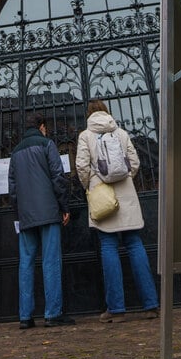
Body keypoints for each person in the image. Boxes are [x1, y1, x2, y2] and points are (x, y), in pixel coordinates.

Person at [75, 100, 160, 323]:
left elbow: (82, 167)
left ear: (89, 114)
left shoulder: (86, 135)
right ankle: (151, 305)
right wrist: (125, 180)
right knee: (134, 244)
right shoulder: (120, 132)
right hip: (127, 196)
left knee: (108, 247)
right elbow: (135, 162)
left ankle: (116, 309)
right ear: (106, 111)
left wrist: (91, 185)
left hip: (102, 198)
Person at [9, 111, 75, 329]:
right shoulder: (47, 144)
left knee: (25, 264)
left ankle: (25, 316)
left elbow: (13, 189)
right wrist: (64, 206)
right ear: (42, 127)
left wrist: (18, 214)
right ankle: (53, 313)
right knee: (50, 260)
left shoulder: (15, 152)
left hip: (26, 215)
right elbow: (58, 176)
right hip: (48, 212)